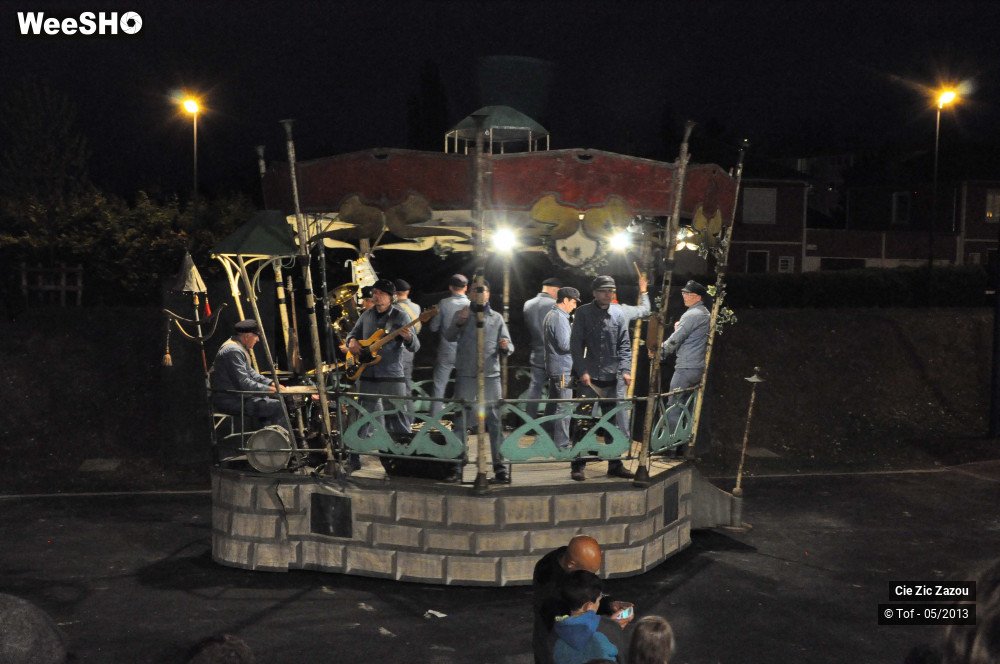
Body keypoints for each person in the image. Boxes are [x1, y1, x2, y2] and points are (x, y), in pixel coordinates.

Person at [442, 279, 514, 483]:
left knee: (495, 421)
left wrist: (504, 346)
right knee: (460, 421)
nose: (479, 294)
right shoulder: (462, 314)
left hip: (490, 377)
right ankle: (456, 466)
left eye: (483, 291)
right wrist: (459, 322)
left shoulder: (496, 318)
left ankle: (500, 467)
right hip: (466, 375)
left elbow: (509, 346)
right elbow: (449, 336)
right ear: (470, 293)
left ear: (489, 294)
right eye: (475, 290)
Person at [345, 279, 419, 472]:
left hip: (392, 375)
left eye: (380, 293)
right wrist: (352, 341)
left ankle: (403, 459)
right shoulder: (367, 315)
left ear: (390, 297)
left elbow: (415, 346)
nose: (376, 295)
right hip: (367, 373)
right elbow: (352, 334)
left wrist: (408, 337)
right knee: (362, 416)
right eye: (375, 292)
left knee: (398, 415)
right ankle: (353, 457)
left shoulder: (400, 317)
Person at [569, 276, 637, 481]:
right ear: (595, 293)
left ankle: (614, 464)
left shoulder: (618, 313)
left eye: (611, 290)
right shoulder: (582, 313)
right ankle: (577, 465)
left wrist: (625, 369)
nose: (608, 294)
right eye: (604, 290)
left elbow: (625, 344)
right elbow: (575, 345)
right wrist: (582, 371)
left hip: (611, 375)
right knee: (583, 420)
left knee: (612, 423)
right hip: (589, 377)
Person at [533, 535, 635, 664]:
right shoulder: (549, 588)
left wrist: (610, 604)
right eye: (589, 572)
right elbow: (570, 630)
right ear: (571, 565)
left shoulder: (567, 556)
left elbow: (587, 594)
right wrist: (608, 627)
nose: (591, 577)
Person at [209, 319, 287, 430]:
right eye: (256, 336)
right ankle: (277, 444)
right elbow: (244, 382)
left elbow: (252, 374)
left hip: (236, 397)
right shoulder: (233, 351)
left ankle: (267, 441)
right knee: (277, 406)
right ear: (247, 336)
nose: (258, 339)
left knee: (268, 401)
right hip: (230, 400)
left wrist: (272, 383)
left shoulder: (238, 347)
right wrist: (270, 390)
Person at [660, 281, 710, 436]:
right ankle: (682, 442)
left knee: (673, 404)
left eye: (687, 294)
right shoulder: (704, 313)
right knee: (687, 406)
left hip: (686, 367)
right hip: (697, 366)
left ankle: (670, 444)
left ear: (696, 296)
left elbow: (676, 339)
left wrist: (660, 352)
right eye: (684, 293)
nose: (684, 296)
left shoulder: (692, 315)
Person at [543, 287, 581, 457]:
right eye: (573, 302)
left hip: (556, 367)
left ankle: (548, 440)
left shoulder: (552, 314)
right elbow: (565, 345)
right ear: (565, 300)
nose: (574, 306)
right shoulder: (559, 317)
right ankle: (562, 446)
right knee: (564, 407)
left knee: (553, 405)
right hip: (564, 369)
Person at [552, 571, 621, 664]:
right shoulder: (607, 628)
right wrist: (614, 626)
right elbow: (621, 655)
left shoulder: (556, 628)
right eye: (599, 599)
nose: (599, 603)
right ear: (588, 605)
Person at [428, 274, 469, 418]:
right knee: (466, 386)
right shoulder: (471, 305)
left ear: (450, 287)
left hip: (446, 350)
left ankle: (434, 422)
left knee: (439, 386)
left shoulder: (444, 303)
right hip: (466, 352)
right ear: (466, 288)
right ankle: (465, 420)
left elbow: (433, 327)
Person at [523, 277, 562, 417]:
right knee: (557, 389)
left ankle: (530, 420)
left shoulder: (528, 304)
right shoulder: (556, 305)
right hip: (555, 353)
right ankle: (550, 421)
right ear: (554, 289)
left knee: (535, 386)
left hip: (537, 351)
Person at [393, 278, 422, 427]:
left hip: (397, 352)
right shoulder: (416, 307)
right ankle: (409, 421)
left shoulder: (395, 309)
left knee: (396, 390)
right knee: (407, 387)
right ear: (408, 292)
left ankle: (401, 423)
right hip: (410, 351)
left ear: (395, 293)